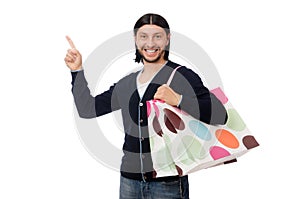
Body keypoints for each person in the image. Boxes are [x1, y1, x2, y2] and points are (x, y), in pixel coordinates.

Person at [65, 13, 227, 199]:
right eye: (144, 36)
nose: (150, 43)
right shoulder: (126, 83)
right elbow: (87, 109)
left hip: (168, 183)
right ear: (135, 40)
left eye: (157, 36)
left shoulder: (182, 76)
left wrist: (179, 99)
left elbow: (220, 115)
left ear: (167, 39)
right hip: (129, 182)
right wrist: (77, 70)